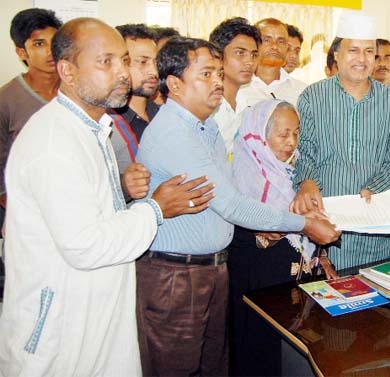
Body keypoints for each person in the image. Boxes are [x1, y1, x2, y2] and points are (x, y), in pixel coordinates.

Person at [0, 18, 214, 376]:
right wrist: (156, 209)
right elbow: (86, 245)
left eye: (124, 60)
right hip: (61, 327)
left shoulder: (91, 129)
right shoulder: (53, 142)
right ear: (67, 71)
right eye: (106, 62)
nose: (122, 73)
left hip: (96, 315)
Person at [135, 37, 340, 377]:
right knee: (178, 368)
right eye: (205, 74)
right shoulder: (174, 133)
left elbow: (229, 197)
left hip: (210, 270)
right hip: (176, 274)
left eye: (218, 72)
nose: (218, 81)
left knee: (214, 366)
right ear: (173, 84)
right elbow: (231, 204)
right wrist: (303, 224)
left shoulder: (208, 128)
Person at [291, 10, 390, 270]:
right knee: (326, 302)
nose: (362, 59)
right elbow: (305, 150)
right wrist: (307, 180)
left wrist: (375, 186)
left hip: (376, 224)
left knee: (376, 303)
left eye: (369, 51)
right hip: (326, 224)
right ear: (336, 53)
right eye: (353, 50)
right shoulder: (313, 96)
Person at [228, 99, 337, 376]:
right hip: (259, 287)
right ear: (261, 135)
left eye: (296, 133)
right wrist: (265, 236)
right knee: (261, 355)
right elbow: (240, 236)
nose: (291, 142)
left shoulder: (294, 172)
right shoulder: (243, 176)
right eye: (283, 134)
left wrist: (321, 256)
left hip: (292, 286)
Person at [0, 8, 62, 225]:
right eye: (38, 44)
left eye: (53, 42)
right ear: (21, 52)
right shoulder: (7, 99)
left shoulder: (74, 92)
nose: (49, 51)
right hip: (27, 213)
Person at [110, 23, 160, 176]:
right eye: (142, 62)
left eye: (156, 62)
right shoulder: (109, 124)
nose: (153, 71)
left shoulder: (163, 115)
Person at [209, 17, 260, 154]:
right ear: (217, 55)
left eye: (254, 55)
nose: (249, 62)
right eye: (240, 53)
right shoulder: (206, 104)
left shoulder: (246, 101)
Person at [238, 18, 308, 107]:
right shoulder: (237, 87)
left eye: (281, 41)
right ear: (253, 43)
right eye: (267, 40)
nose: (275, 46)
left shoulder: (302, 92)